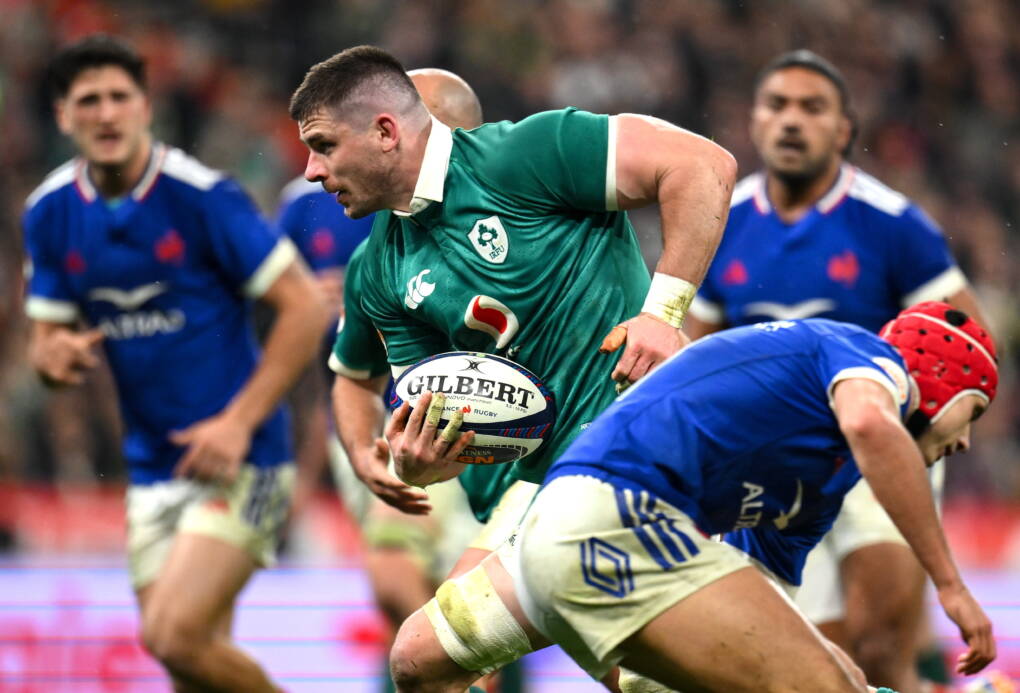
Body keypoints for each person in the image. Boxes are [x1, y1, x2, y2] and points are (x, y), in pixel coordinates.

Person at [289, 45, 736, 689]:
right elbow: (438, 409)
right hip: (538, 486)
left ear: (386, 132)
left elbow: (702, 165)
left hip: (635, 451)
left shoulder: (526, 153)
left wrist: (663, 313)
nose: (309, 171)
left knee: (653, 674)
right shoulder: (383, 266)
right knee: (422, 661)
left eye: (323, 145)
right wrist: (418, 460)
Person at [22, 35, 328, 692]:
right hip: (153, 467)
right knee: (191, 664)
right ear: (62, 116)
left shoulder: (202, 197)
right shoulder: (48, 213)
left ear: (146, 107)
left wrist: (238, 422)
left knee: (172, 634)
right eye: (88, 101)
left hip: (245, 459)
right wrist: (54, 358)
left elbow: (303, 308)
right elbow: (44, 342)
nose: (106, 114)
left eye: (119, 98)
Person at [684, 49, 987, 692]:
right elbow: (695, 350)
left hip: (882, 446)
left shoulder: (892, 223)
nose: (792, 121)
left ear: (844, 130)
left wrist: (935, 430)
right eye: (778, 105)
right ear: (754, 120)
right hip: (781, 460)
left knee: (879, 643)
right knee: (819, 656)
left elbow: (974, 344)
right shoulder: (721, 221)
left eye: (812, 108)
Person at [514, 303, 998, 692]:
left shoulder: (819, 479)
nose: (964, 444)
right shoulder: (862, 352)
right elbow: (870, 424)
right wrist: (950, 586)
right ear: (940, 376)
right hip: (615, 520)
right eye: (972, 413)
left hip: (573, 537)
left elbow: (766, 605)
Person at [281, 68, 493, 692]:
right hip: (404, 428)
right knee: (402, 587)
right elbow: (333, 362)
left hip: (515, 442)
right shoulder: (338, 225)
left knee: (483, 614)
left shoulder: (519, 198)